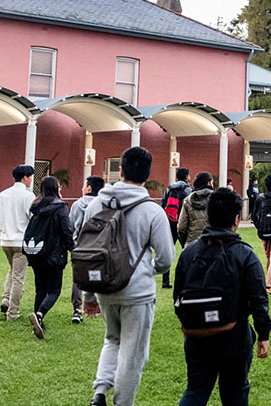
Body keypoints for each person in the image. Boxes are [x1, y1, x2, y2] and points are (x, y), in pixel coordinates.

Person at [84, 147, 175, 406]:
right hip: (137, 293)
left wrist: (89, 294)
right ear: (147, 175)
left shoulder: (97, 203)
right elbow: (166, 258)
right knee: (132, 353)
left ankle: (100, 391)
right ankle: (122, 403)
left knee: (112, 339)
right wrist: (148, 270)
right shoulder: (152, 210)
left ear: (120, 171)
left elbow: (86, 251)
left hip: (103, 288)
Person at [174, 188, 271, 405]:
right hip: (234, 334)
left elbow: (178, 294)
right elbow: (259, 298)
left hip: (197, 334)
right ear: (236, 219)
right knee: (236, 391)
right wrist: (263, 334)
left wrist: (187, 323)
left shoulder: (189, 253)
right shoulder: (245, 254)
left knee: (196, 390)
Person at [25, 176, 74, 340]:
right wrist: (72, 249)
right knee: (54, 291)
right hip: (54, 254)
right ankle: (39, 315)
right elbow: (66, 230)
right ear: (56, 188)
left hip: (37, 252)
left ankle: (38, 322)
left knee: (40, 290)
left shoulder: (36, 206)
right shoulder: (60, 207)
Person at [0, 164, 35, 321]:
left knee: (12, 270)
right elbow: (32, 217)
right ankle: (13, 312)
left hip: (5, 240)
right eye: (30, 177)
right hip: (20, 241)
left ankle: (6, 299)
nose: (31, 180)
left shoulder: (2, 195)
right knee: (19, 277)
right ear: (25, 178)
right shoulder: (28, 196)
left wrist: (4, 229)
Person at [70, 175, 105, 323]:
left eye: (84, 186)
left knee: (78, 277)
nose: (82, 188)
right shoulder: (104, 205)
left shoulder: (77, 205)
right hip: (99, 246)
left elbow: (70, 225)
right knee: (99, 274)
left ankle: (77, 309)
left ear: (89, 188)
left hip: (80, 246)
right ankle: (99, 305)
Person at [161, 168, 192, 290]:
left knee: (168, 251)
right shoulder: (188, 190)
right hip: (182, 224)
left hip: (170, 223)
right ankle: (188, 278)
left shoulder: (169, 189)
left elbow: (164, 204)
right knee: (188, 251)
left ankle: (165, 281)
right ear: (187, 177)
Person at [178, 172, 215, 246]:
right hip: (212, 244)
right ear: (209, 183)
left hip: (192, 244)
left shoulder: (188, 200)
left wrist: (185, 242)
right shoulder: (217, 199)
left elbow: (181, 227)